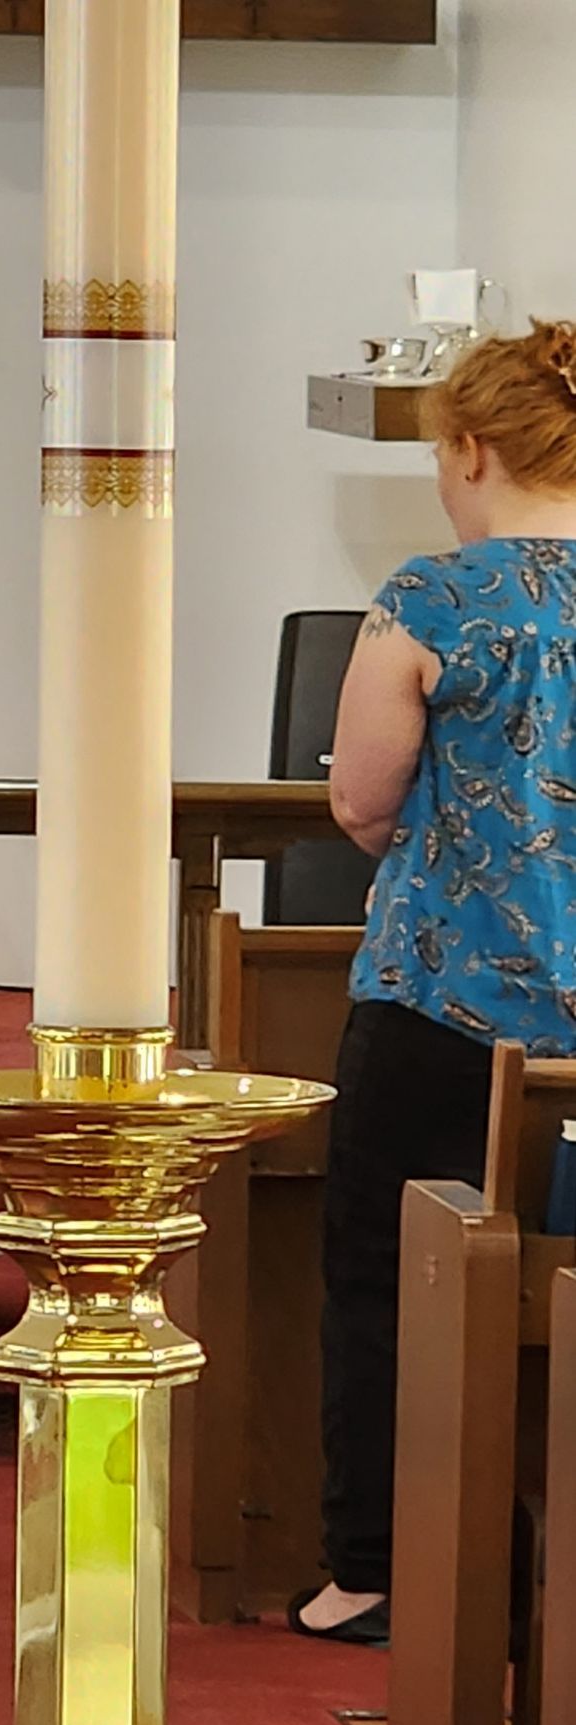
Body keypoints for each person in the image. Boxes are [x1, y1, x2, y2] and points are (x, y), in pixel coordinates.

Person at [290, 320, 576, 1643]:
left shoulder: (434, 598)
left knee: (384, 1279)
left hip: (442, 1008)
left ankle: (378, 1569)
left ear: (469, 446)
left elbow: (359, 795)